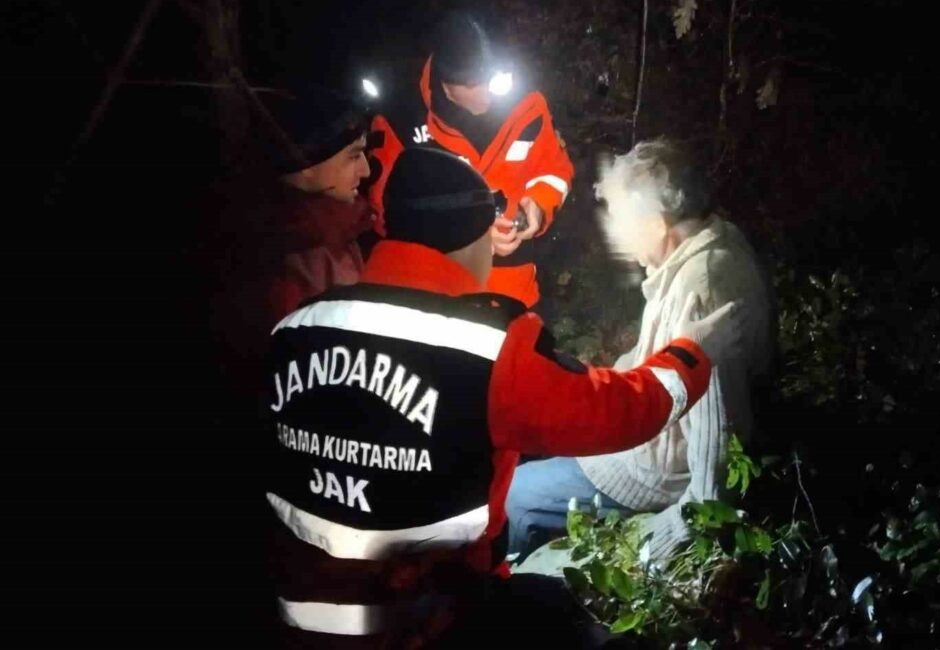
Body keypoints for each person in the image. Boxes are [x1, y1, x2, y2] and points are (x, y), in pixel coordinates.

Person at [266, 147, 741, 647]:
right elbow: (611, 412)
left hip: (299, 615)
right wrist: (691, 356)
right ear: (470, 240)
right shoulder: (486, 344)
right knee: (593, 634)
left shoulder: (298, 323)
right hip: (423, 619)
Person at [506, 140, 774, 561]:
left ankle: (503, 597)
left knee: (515, 495)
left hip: (652, 468)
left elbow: (718, 432)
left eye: (622, 222)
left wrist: (684, 522)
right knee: (547, 422)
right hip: (647, 428)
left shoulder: (699, 290)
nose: (616, 236)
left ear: (655, 225)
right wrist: (597, 379)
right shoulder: (708, 243)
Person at [366, 11, 573, 307]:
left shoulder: (526, 104)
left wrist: (538, 206)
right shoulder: (401, 121)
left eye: (491, 79)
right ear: (446, 84)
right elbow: (385, 216)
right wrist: (468, 237)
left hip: (513, 292)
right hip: (435, 293)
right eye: (474, 84)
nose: (487, 94)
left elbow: (554, 169)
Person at [208, 87, 373, 397]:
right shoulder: (286, 255)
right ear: (307, 161)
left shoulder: (337, 230)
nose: (365, 170)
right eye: (352, 156)